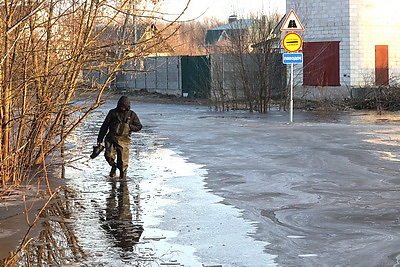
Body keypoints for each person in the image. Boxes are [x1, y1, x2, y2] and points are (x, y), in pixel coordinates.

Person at [97, 96, 142, 178]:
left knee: (123, 163)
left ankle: (123, 180)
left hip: (124, 141)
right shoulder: (112, 113)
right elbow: (104, 126)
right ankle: (113, 166)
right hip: (111, 139)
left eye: (124, 107)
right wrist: (99, 139)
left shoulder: (132, 114)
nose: (122, 108)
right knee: (108, 156)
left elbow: (139, 126)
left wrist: (130, 127)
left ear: (128, 106)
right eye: (121, 106)